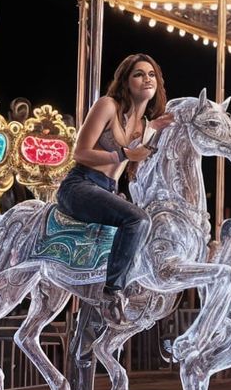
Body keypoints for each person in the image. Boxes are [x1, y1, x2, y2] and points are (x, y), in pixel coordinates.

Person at [60, 53, 173, 323]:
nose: (146, 79)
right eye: (138, 74)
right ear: (126, 80)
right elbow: (81, 153)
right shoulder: (107, 105)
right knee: (136, 218)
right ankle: (112, 294)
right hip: (80, 184)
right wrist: (120, 155)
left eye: (151, 74)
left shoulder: (145, 124)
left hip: (106, 189)